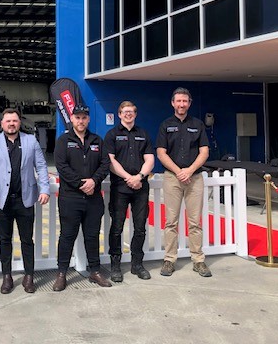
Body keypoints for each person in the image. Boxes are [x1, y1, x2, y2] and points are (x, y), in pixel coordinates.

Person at [0, 108, 50, 294]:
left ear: (20, 123)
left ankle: (29, 276)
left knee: (27, 240)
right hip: (1, 202)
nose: (11, 124)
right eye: (8, 121)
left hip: (25, 200)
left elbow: (42, 167)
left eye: (15, 121)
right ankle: (7, 277)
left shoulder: (30, 141)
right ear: (2, 124)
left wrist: (44, 189)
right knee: (5, 240)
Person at [52, 105, 112, 291]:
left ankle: (94, 271)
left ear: (88, 119)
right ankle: (61, 273)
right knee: (67, 236)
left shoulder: (97, 140)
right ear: (72, 118)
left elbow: (105, 164)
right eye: (77, 117)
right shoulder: (63, 141)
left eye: (84, 117)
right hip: (71, 197)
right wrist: (80, 184)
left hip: (93, 198)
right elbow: (61, 166)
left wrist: (94, 181)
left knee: (92, 236)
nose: (81, 121)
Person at [155, 87, 211, 278]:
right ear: (172, 103)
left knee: (195, 222)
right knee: (171, 221)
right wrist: (179, 172)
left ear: (190, 103)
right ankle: (169, 259)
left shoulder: (198, 124)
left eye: (184, 101)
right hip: (173, 178)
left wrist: (190, 170)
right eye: (178, 101)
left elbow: (204, 151)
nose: (181, 104)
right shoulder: (165, 125)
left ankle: (198, 260)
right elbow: (161, 152)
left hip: (194, 178)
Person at [103, 100, 155, 282]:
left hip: (140, 187)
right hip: (120, 187)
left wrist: (139, 177)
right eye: (125, 112)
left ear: (135, 114)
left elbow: (150, 159)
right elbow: (111, 162)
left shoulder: (143, 134)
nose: (128, 114)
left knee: (140, 227)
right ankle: (115, 265)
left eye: (131, 111)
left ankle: (137, 264)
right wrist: (129, 178)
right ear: (119, 114)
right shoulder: (111, 135)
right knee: (117, 227)